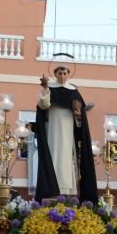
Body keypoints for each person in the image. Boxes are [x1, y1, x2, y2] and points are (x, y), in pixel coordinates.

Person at [34, 65, 98, 203]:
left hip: (68, 129)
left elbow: (81, 120)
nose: (62, 75)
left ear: (69, 74)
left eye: (65, 73)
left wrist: (78, 115)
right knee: (53, 152)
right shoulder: (49, 88)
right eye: (59, 73)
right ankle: (52, 187)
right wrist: (45, 88)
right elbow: (44, 105)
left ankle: (67, 190)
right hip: (53, 128)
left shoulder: (74, 91)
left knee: (67, 156)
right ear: (55, 74)